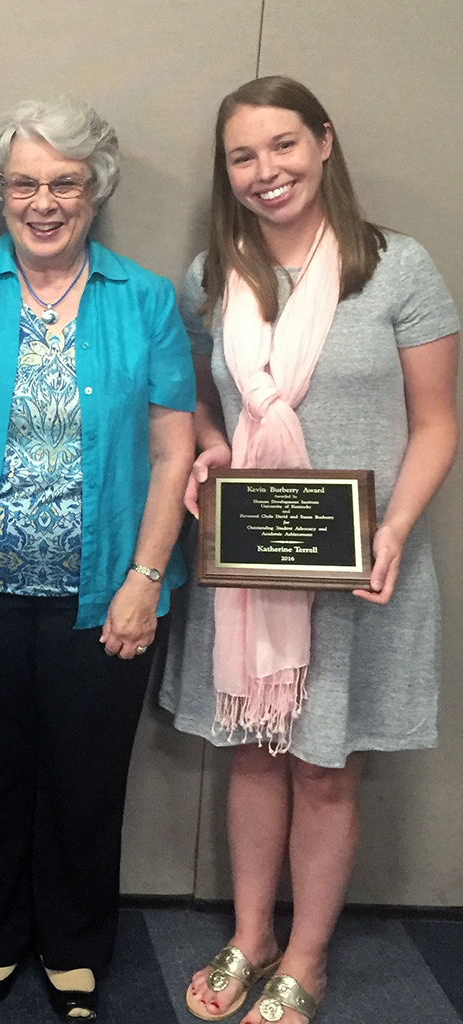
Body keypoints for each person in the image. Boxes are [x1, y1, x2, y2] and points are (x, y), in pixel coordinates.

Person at [0, 96, 195, 1020]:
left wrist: (144, 579)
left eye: (64, 182)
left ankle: (72, 945)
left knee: (86, 778)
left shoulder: (143, 298)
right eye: (25, 182)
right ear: (1, 192)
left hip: (102, 592)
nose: (44, 201)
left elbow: (176, 450)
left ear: (95, 188)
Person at [160, 76, 459, 1024]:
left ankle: (308, 955)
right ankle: (250, 938)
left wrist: (399, 526)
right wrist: (209, 445)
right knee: (252, 753)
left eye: (283, 145)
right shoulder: (215, 276)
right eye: (243, 156)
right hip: (249, 568)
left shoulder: (397, 269)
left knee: (328, 766)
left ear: (325, 143)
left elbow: (438, 422)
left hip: (364, 568)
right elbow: (199, 401)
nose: (266, 171)